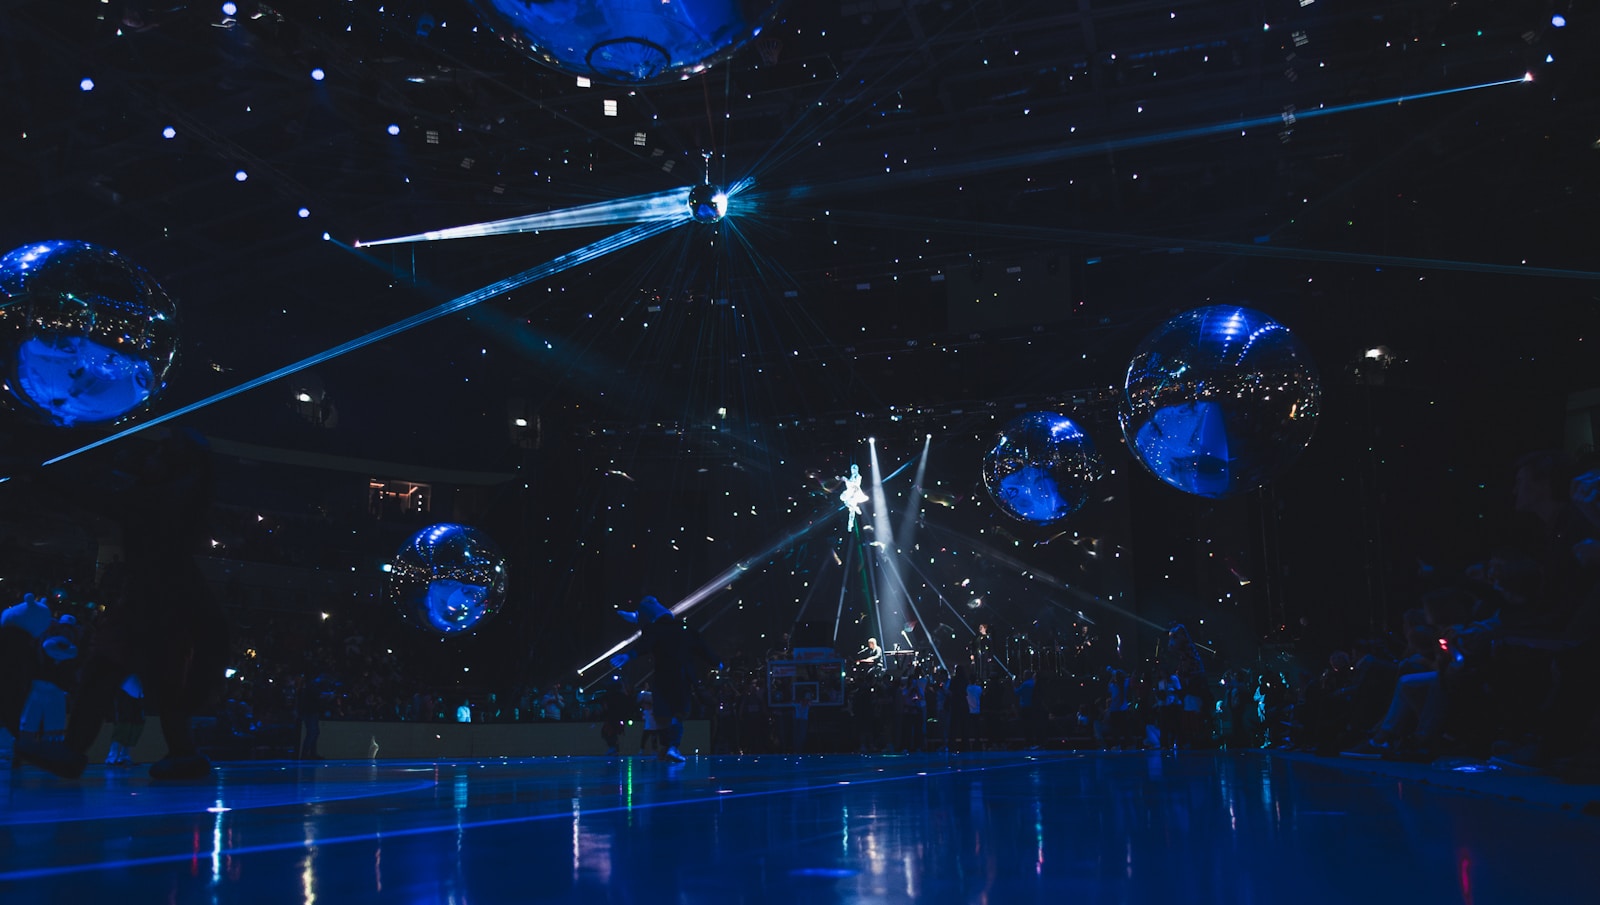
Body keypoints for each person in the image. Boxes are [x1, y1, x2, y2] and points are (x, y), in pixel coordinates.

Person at [14, 430, 228, 780]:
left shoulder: (155, 501)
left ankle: (74, 750)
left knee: (104, 670)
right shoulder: (180, 497)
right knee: (161, 681)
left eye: (158, 455)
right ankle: (182, 752)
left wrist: (42, 475)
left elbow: (99, 500)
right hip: (173, 598)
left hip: (150, 597)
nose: (149, 460)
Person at [613, 597, 721, 763]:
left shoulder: (654, 629)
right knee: (678, 713)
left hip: (663, 676)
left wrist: (629, 655)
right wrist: (717, 662)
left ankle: (667, 747)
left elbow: (644, 644)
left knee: (664, 714)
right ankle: (672, 747)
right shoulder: (685, 630)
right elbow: (703, 648)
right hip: (682, 676)